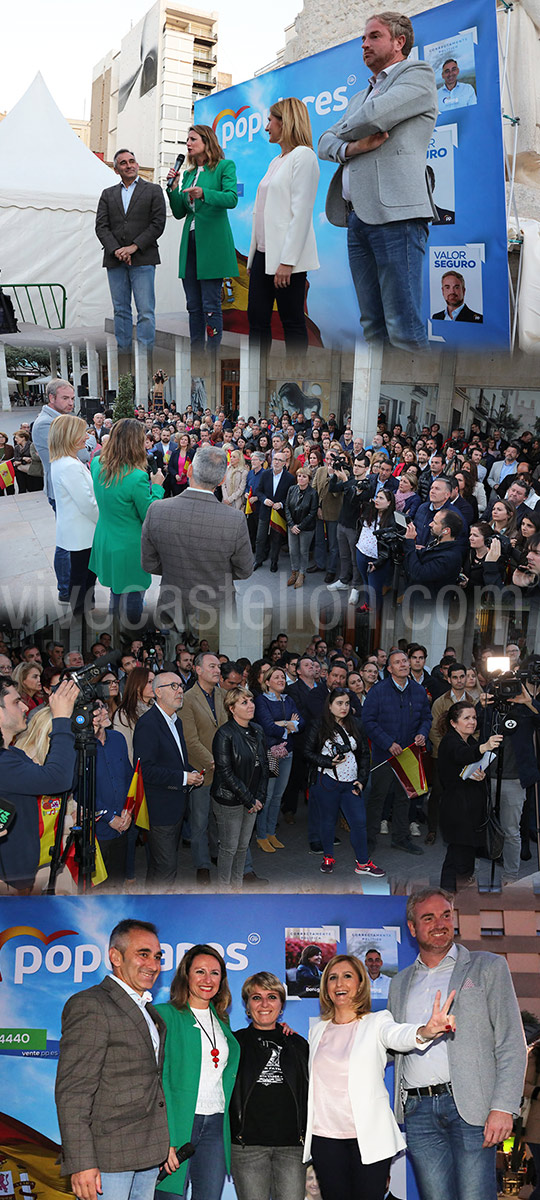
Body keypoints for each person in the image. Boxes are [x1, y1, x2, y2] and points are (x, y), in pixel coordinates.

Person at [388, 889, 527, 1200]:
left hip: (472, 1108)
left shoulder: (488, 967)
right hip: (418, 1110)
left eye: (446, 915)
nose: (440, 923)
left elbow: (511, 1042)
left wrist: (503, 1106)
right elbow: (391, 1042)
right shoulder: (399, 983)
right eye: (429, 917)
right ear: (412, 928)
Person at [318, 12, 437, 350]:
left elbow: (375, 117)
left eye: (373, 36)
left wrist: (343, 133)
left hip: (396, 217)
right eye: (363, 39)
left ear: (399, 42)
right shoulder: (360, 96)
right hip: (358, 217)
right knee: (373, 325)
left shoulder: (418, 75)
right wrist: (354, 145)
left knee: (404, 327)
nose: (364, 44)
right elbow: (323, 143)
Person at [304, 953, 457, 1200]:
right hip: (325, 1140)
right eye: (332, 978)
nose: (339, 984)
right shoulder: (317, 1030)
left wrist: (424, 1032)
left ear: (360, 984)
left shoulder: (377, 1022)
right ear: (326, 987)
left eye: (347, 976)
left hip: (369, 1139)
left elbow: (398, 1035)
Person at [55, 919, 176, 1200]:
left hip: (147, 1156)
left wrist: (162, 1144)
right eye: (143, 954)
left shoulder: (150, 1013)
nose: (153, 964)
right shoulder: (91, 1005)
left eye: (157, 956)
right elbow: (73, 1091)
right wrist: (82, 1162)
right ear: (115, 957)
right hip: (107, 1159)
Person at [154, 945, 240, 1200]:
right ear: (186, 975)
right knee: (170, 1196)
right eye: (200, 971)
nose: (207, 979)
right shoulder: (164, 1015)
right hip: (178, 1124)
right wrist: (164, 1137)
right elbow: (161, 1079)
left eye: (215, 973)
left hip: (215, 1125)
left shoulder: (222, 1021)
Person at [141, 444, 253, 629]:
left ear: (190, 470)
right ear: (222, 479)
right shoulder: (235, 519)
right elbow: (244, 570)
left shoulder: (157, 509)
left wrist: (175, 569)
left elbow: (149, 563)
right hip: (217, 608)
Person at [247, 97, 320, 353]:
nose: (266, 127)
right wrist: (253, 259)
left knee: (292, 323)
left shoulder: (304, 156)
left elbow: (301, 214)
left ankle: (295, 377)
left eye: (270, 120)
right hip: (263, 258)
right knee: (256, 322)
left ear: (285, 121)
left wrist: (287, 262)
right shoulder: (276, 160)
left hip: (287, 262)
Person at [230, 971, 309, 1200]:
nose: (264, 1004)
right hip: (247, 1148)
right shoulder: (234, 1043)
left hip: (292, 1148)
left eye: (272, 997)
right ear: (247, 1005)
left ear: (281, 1005)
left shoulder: (297, 1044)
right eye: (256, 997)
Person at [0, 677, 78, 893]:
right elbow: (57, 780)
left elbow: (66, 782)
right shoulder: (3, 764)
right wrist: (61, 719)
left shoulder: (13, 755)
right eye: (16, 702)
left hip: (20, 874)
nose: (25, 707)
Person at [167, 125, 238, 350]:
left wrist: (204, 193)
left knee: (210, 304)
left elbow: (231, 198)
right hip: (190, 243)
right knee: (193, 305)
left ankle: (213, 352)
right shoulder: (187, 174)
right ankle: (197, 351)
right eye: (187, 139)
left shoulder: (224, 167)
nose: (188, 143)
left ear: (207, 142)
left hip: (213, 244)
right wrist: (174, 189)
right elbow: (179, 213)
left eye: (193, 139)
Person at [90, 418, 165, 624]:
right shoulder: (136, 477)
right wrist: (157, 486)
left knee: (117, 590)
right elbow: (150, 514)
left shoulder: (97, 464)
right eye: (142, 440)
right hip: (129, 546)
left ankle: (115, 627)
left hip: (106, 537)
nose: (145, 443)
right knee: (133, 594)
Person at [95, 148, 167, 365]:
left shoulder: (153, 190)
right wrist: (117, 249)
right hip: (115, 260)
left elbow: (158, 223)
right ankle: (124, 356)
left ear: (137, 164)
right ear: (117, 169)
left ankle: (145, 358)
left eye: (132, 161)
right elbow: (101, 226)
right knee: (120, 310)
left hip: (143, 259)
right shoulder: (108, 194)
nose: (129, 165)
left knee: (145, 310)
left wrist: (134, 247)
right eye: (123, 163)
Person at [133, 673, 204, 888]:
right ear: (158, 692)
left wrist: (191, 772)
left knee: (158, 868)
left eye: (180, 686)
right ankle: (159, 913)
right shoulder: (148, 724)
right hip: (159, 809)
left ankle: (149, 910)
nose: (180, 690)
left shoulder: (176, 720)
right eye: (173, 686)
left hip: (175, 806)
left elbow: (175, 761)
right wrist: (184, 777)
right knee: (166, 869)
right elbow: (146, 769)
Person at [304, 688, 383, 878]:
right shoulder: (319, 725)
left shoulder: (356, 724)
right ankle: (328, 857)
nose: (344, 707)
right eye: (339, 703)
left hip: (351, 783)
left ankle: (363, 862)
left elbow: (365, 754)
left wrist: (362, 780)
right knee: (328, 821)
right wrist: (328, 762)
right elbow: (307, 752)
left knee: (358, 822)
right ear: (329, 705)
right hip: (326, 781)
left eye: (347, 703)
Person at [362, 650, 432, 858]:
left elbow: (426, 719)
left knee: (405, 797)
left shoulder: (419, 691)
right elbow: (368, 722)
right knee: (378, 797)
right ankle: (369, 839)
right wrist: (387, 743)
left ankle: (401, 838)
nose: (403, 665)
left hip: (410, 753)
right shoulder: (378, 691)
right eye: (397, 662)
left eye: (405, 661)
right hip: (385, 755)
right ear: (389, 668)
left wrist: (422, 733)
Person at [436, 701, 503, 890]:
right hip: (458, 812)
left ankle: (447, 897)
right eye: (466, 718)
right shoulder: (450, 741)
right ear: (453, 723)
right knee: (461, 863)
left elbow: (467, 764)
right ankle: (455, 900)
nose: (472, 722)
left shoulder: (469, 740)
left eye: (474, 717)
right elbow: (461, 755)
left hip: (469, 811)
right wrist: (484, 747)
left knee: (456, 859)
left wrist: (479, 774)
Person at [211, 687, 268, 889]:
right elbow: (225, 773)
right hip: (229, 800)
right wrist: (249, 799)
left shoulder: (258, 730)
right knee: (229, 848)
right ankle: (223, 891)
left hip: (252, 799)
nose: (251, 705)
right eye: (244, 702)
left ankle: (237, 888)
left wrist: (259, 797)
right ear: (231, 708)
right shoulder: (224, 734)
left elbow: (264, 765)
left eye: (251, 700)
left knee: (243, 847)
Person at [181, 651, 227, 885]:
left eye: (218, 666)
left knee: (219, 816)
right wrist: (214, 761)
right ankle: (202, 864)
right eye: (212, 666)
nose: (217, 670)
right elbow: (190, 740)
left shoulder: (225, 695)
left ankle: (217, 853)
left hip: (223, 770)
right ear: (198, 670)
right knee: (199, 820)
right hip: (200, 769)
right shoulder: (187, 698)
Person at [49, 414, 98, 615]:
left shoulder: (66, 460)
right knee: (82, 579)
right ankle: (80, 614)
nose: (87, 437)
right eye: (82, 433)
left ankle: (84, 609)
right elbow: (87, 503)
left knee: (83, 578)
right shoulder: (69, 465)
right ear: (70, 436)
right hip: (82, 534)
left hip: (79, 532)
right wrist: (104, 523)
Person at [32, 379, 76, 602]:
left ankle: (73, 582)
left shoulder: (62, 419)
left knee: (74, 538)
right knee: (66, 541)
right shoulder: (44, 424)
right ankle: (65, 589)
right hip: (61, 490)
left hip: (70, 487)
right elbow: (67, 455)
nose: (71, 403)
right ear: (51, 398)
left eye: (72, 398)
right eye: (65, 398)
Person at [254, 665, 302, 852]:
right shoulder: (261, 701)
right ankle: (261, 835)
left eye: (283, 677)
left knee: (278, 796)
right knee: (267, 795)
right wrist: (288, 724)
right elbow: (266, 726)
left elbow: (302, 722)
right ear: (267, 682)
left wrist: (283, 724)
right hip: (269, 753)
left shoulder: (289, 699)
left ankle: (271, 831)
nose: (281, 680)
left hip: (288, 753)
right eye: (276, 677)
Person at [253, 451, 296, 573]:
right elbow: (259, 491)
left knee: (276, 539)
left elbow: (290, 496)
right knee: (260, 537)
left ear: (284, 463)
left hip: (278, 514)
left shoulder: (290, 478)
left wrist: (281, 504)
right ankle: (258, 560)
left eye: (279, 460)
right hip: (265, 511)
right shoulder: (265, 474)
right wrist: (264, 500)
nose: (276, 462)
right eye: (275, 459)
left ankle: (274, 562)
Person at [403, 508, 464, 592]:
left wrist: (410, 543)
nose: (430, 524)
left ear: (446, 531)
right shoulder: (436, 543)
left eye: (435, 523)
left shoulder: (449, 557)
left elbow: (418, 574)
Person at [284, 465, 318, 588]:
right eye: (299, 476)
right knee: (293, 551)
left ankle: (302, 574)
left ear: (309, 479)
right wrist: (292, 525)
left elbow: (312, 512)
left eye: (304, 477)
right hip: (292, 526)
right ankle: (294, 572)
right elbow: (287, 507)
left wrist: (300, 526)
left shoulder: (313, 493)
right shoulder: (291, 489)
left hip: (306, 528)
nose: (301, 479)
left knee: (303, 551)